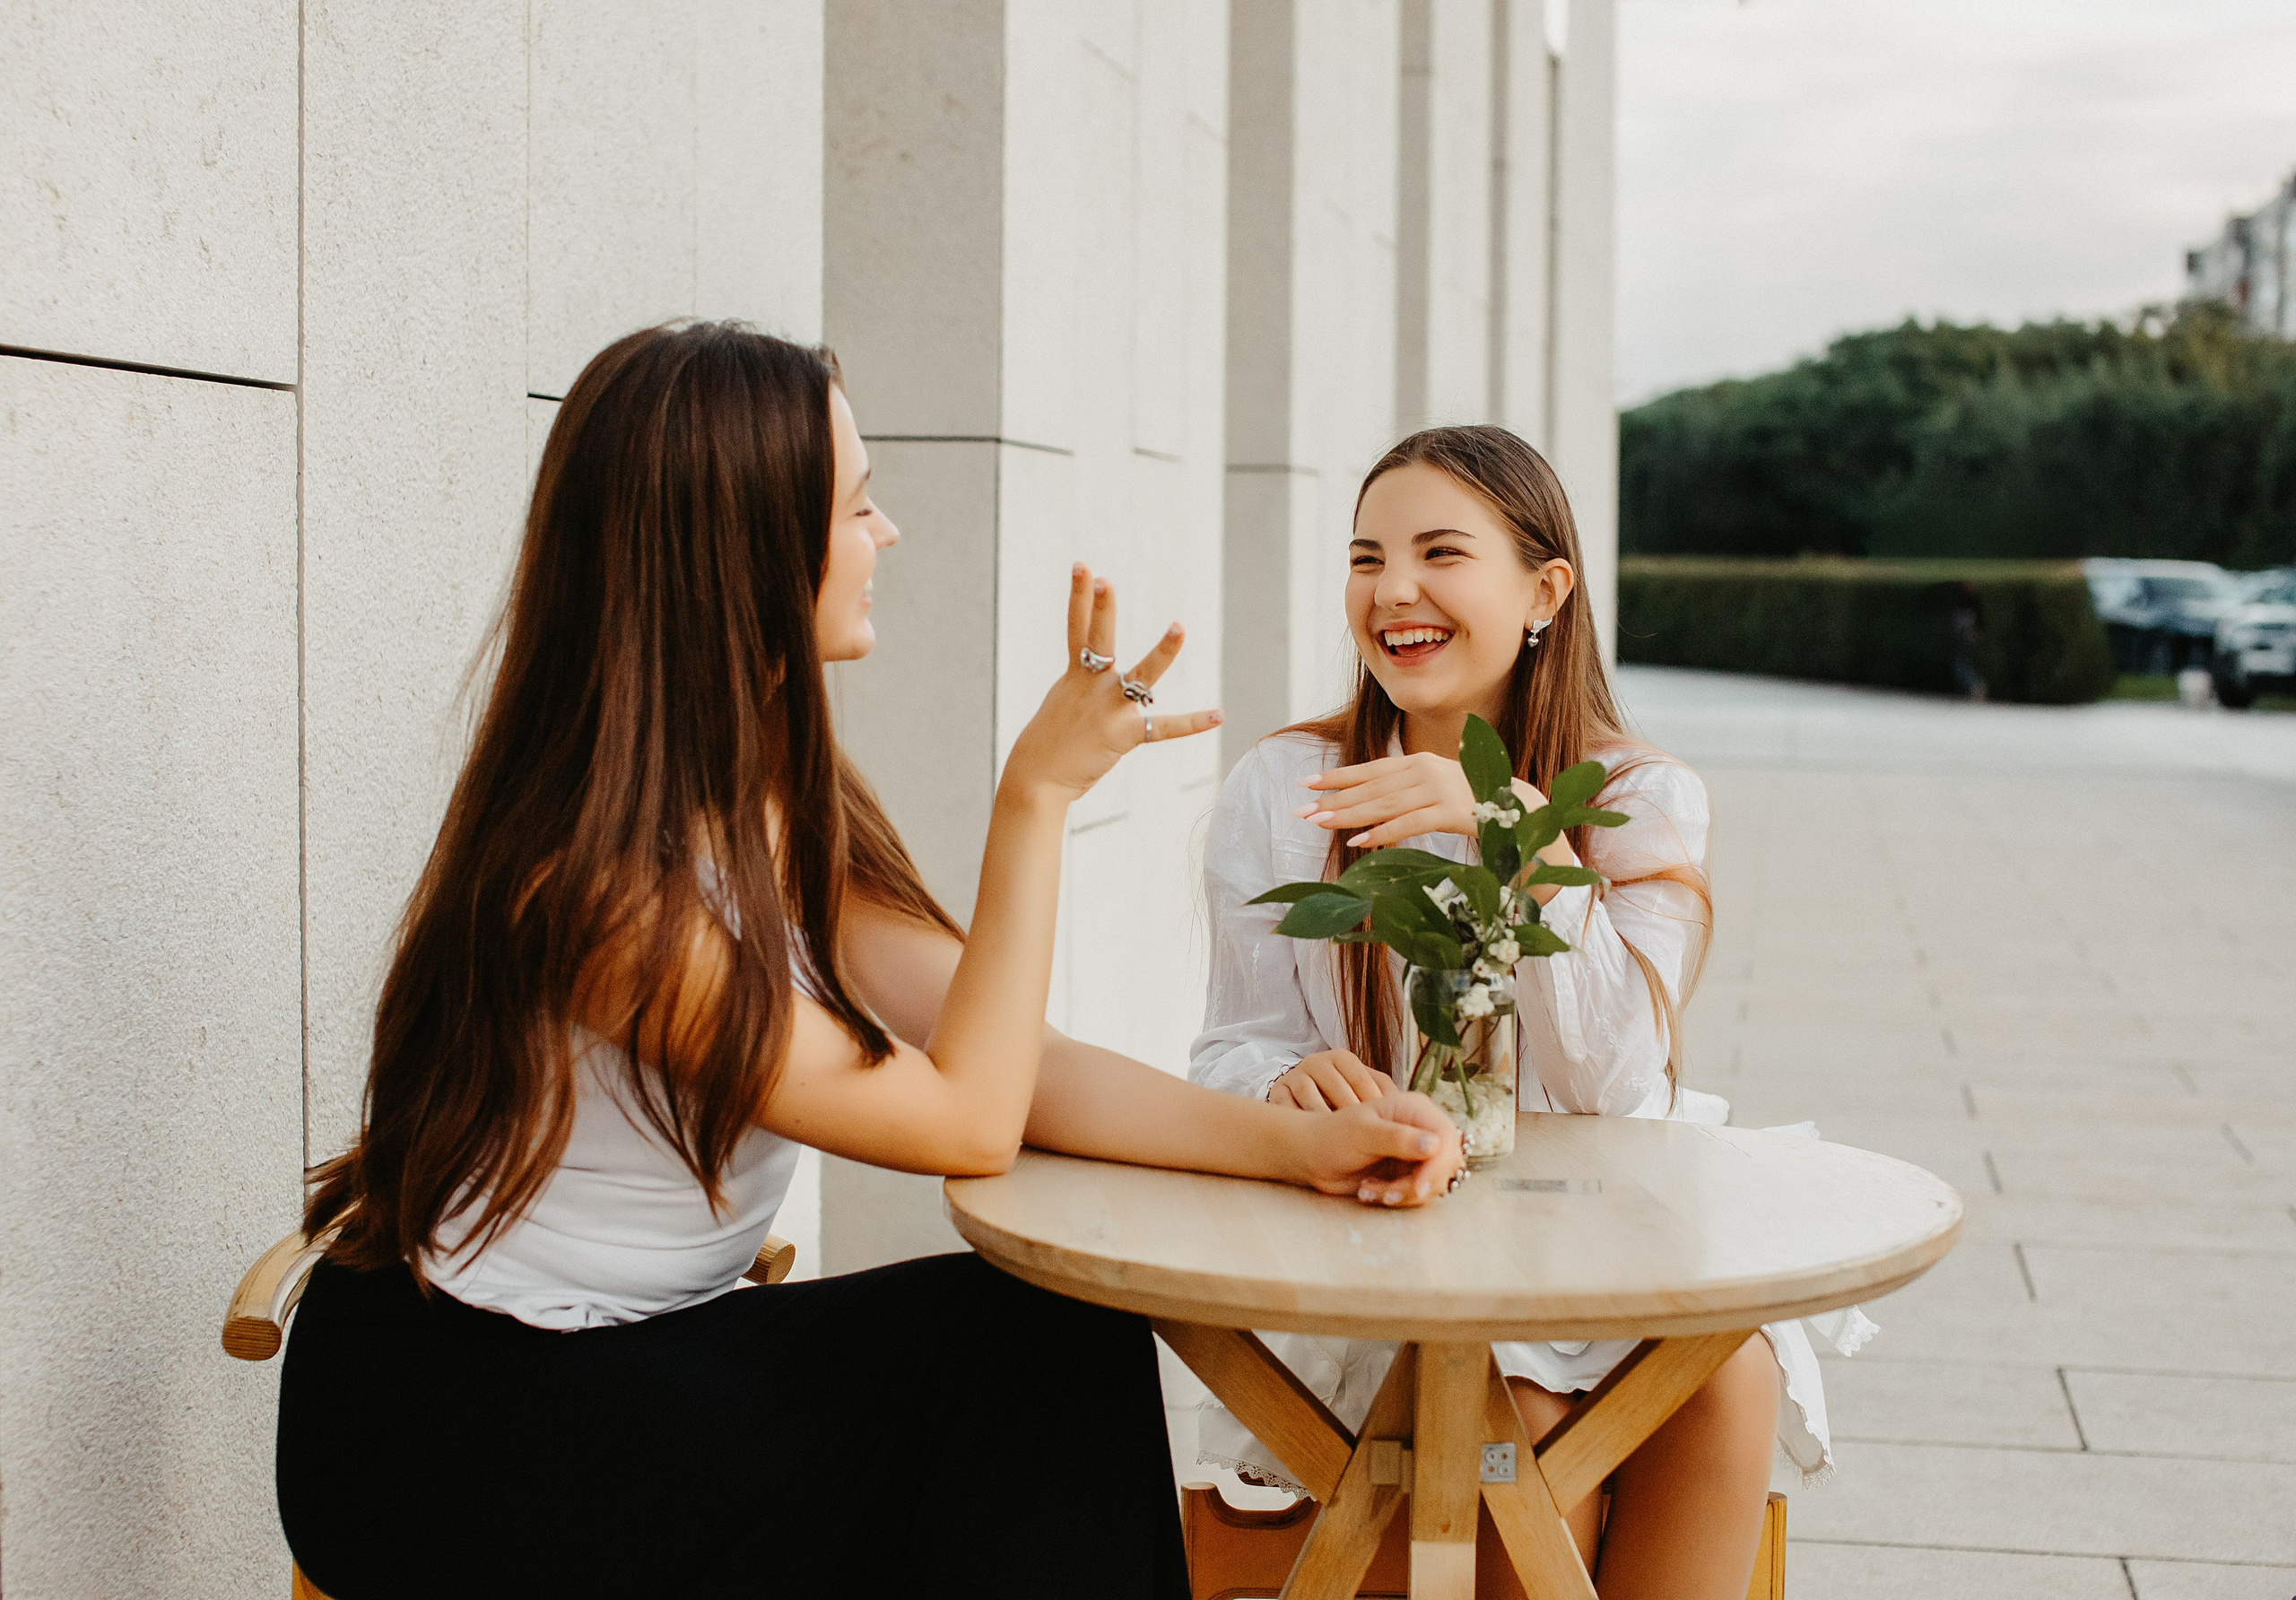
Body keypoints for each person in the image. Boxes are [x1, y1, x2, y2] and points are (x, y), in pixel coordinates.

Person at [275, 321, 1465, 1600]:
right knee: (1019, 1364)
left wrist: (1300, 1147)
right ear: (744, 547)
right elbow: (969, 1120)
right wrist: (1036, 799)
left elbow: (1016, 1063)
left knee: (1040, 1340)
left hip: (630, 1359)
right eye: (855, 503)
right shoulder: (600, 891)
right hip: (464, 1422)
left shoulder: (764, 806)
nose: (887, 533)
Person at [1189, 426, 1871, 1599]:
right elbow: (1238, 1045)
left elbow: (1614, 1080)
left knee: (1728, 1373)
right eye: (1366, 558)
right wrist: (1288, 1087)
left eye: (1440, 553)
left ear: (1546, 589)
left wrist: (1513, 838)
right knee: (1525, 1407)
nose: (1394, 589)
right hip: (1389, 1246)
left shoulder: (1636, 798)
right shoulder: (1290, 789)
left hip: (1595, 1226)